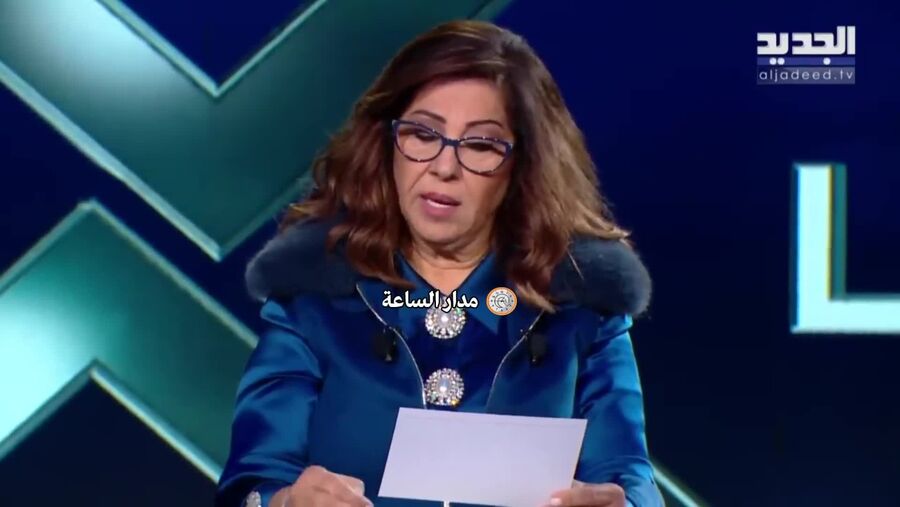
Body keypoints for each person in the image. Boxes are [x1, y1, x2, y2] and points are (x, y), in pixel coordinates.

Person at [216, 19, 663, 507]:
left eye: (481, 145)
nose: (444, 167)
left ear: (523, 166)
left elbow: (629, 478)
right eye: (423, 134)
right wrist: (284, 502)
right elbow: (250, 484)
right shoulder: (311, 304)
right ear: (387, 143)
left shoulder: (584, 311)